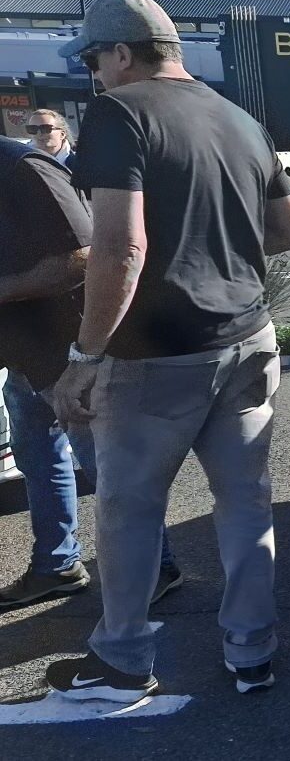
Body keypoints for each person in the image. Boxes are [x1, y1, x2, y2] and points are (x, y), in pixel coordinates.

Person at [46, 0, 290, 704]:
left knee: (131, 509)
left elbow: (119, 246)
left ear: (124, 53)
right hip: (248, 339)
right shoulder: (238, 118)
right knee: (246, 504)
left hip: (154, 357)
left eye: (96, 59)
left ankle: (123, 663)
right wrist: (215, 249)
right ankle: (252, 653)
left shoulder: (118, 113)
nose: (94, 75)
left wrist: (85, 358)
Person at [0, 135, 181, 609]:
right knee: (39, 460)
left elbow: (84, 256)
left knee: (107, 466)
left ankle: (154, 568)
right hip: (24, 357)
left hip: (70, 351)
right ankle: (56, 565)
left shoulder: (21, 167)